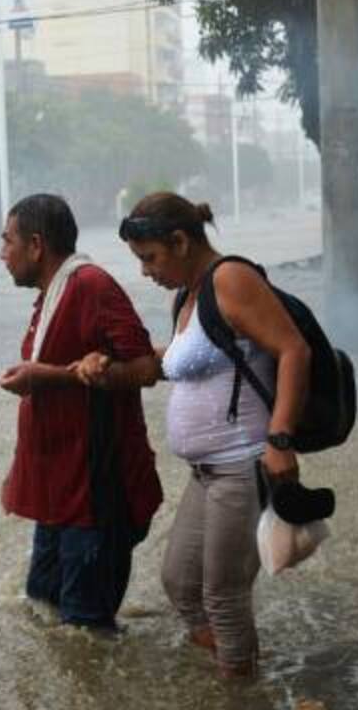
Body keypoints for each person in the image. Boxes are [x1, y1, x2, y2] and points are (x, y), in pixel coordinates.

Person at [112, 192, 310, 678]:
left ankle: (241, 701)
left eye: (150, 258)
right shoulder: (189, 295)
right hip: (206, 474)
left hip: (242, 466)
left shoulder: (231, 279)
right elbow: (183, 360)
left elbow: (293, 350)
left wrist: (280, 439)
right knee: (181, 583)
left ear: (180, 242)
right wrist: (111, 367)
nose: (145, 272)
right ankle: (236, 672)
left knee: (223, 595)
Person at [0, 194, 163, 631]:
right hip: (59, 493)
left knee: (86, 631)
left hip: (96, 495)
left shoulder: (91, 286)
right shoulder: (52, 295)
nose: (1, 254)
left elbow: (146, 368)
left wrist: (49, 376)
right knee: (42, 608)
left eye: (7, 241)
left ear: (36, 245)